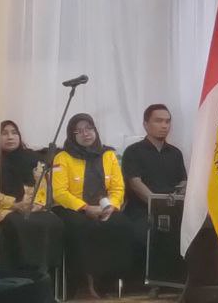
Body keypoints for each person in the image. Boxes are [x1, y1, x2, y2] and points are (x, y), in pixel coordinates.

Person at [52, 113, 132, 297]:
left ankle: (111, 280)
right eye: (79, 131)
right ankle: (85, 281)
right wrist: (86, 208)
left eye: (89, 128)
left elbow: (118, 187)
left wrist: (112, 207)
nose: (85, 133)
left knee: (122, 224)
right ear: (72, 135)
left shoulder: (108, 154)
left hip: (104, 207)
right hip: (72, 208)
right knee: (83, 226)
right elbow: (60, 192)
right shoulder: (62, 157)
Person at [121, 105, 187, 278]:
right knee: (148, 231)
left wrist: (178, 197)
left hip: (173, 209)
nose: (164, 125)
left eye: (167, 121)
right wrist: (159, 204)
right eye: (158, 121)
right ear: (146, 124)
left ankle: (180, 281)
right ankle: (149, 281)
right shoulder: (133, 152)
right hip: (142, 210)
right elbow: (135, 183)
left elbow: (183, 181)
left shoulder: (175, 153)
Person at [0, 121, 64, 275]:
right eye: (4, 133)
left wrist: (37, 204)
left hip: (33, 207)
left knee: (53, 222)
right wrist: (15, 204)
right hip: (6, 209)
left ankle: (44, 273)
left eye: (14, 133)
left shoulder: (32, 158)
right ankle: (20, 274)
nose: (10, 137)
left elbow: (43, 185)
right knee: (19, 223)